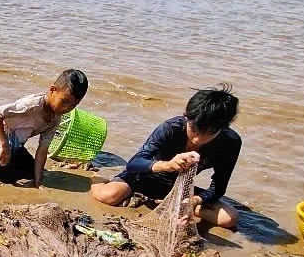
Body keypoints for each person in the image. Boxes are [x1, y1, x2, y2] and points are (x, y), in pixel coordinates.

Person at [90, 85, 241, 229]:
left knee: (229, 218)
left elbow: (219, 187)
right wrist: (167, 165)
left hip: (179, 188)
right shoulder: (171, 128)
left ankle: (170, 203)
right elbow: (134, 163)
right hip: (144, 177)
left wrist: (194, 201)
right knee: (107, 196)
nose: (197, 139)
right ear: (186, 117)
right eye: (194, 129)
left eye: (209, 133)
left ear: (223, 128)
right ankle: (98, 176)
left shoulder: (230, 143)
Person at [0, 69, 89, 186]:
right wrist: (4, 144)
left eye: (73, 105)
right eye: (65, 101)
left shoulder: (55, 119)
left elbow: (43, 149)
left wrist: (38, 182)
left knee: (35, 173)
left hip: (15, 146)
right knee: (8, 179)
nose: (66, 109)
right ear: (52, 90)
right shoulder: (32, 105)